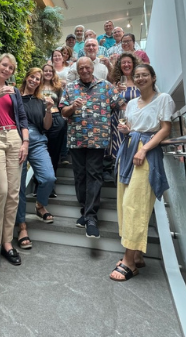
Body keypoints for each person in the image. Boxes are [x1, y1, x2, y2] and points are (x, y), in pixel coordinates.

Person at [109, 64, 173, 282]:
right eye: (137, 76)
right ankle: (136, 255)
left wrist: (145, 149)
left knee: (134, 204)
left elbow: (165, 129)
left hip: (146, 152)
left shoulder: (163, 98)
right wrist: (126, 130)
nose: (141, 78)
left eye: (145, 75)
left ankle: (129, 262)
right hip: (128, 150)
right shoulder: (131, 103)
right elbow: (132, 125)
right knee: (123, 203)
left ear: (153, 77)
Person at [60, 57, 127, 239]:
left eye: (87, 67)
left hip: (98, 140)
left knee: (94, 175)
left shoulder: (105, 86)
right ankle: (85, 210)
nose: (84, 70)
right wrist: (72, 106)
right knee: (80, 177)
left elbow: (121, 105)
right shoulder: (70, 87)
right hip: (76, 139)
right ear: (77, 69)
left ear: (93, 68)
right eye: (81, 68)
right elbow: (63, 112)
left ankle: (90, 217)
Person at [0, 54, 29, 269]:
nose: (7, 69)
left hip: (14, 137)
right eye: (4, 65)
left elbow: (22, 117)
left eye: (11, 67)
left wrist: (25, 142)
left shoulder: (15, 91)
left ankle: (6, 242)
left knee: (13, 193)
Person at [15, 68, 57, 250]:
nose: (34, 80)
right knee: (19, 186)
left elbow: (47, 126)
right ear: (26, 77)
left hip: (38, 141)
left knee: (49, 177)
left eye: (37, 79)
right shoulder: (14, 96)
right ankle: (22, 227)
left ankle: (40, 204)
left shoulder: (41, 101)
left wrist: (48, 110)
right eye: (32, 76)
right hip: (16, 142)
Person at [107, 53, 141, 170]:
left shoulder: (140, 81)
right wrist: (115, 91)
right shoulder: (115, 84)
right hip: (119, 120)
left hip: (137, 120)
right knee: (121, 154)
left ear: (134, 64)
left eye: (129, 62)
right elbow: (109, 105)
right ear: (119, 66)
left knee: (136, 149)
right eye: (123, 63)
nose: (126, 65)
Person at [40, 63, 68, 169]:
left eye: (50, 71)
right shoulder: (37, 85)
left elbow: (62, 103)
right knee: (42, 149)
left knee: (54, 150)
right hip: (41, 118)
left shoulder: (57, 87)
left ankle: (52, 178)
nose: (48, 73)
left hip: (56, 117)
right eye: (45, 70)